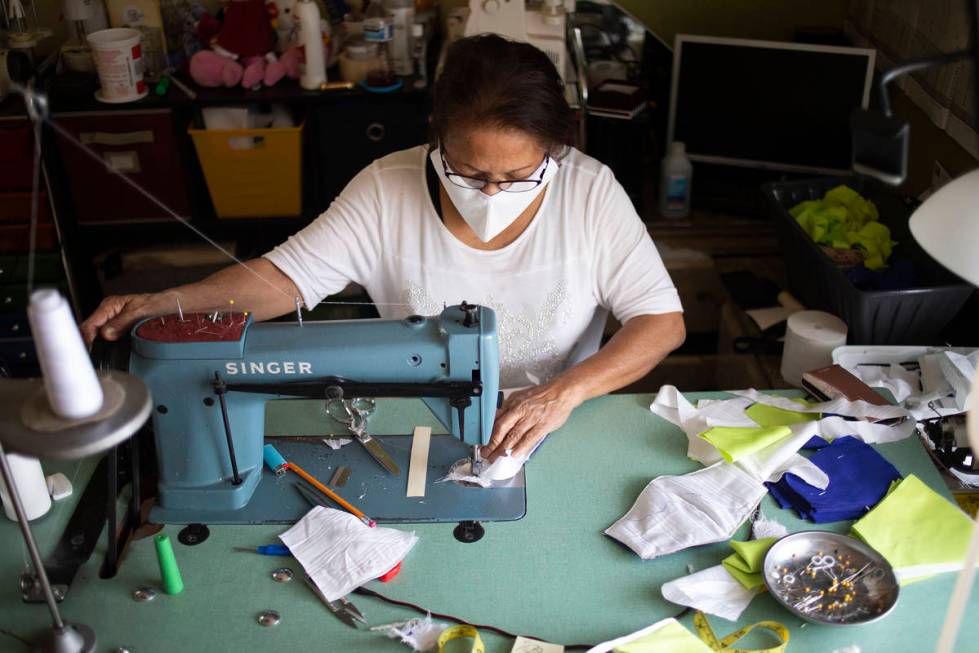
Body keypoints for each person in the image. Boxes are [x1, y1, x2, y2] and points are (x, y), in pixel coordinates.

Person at [81, 34, 685, 464]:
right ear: (436, 138)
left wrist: (565, 391)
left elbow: (660, 321)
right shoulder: (385, 188)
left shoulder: (589, 192)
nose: (494, 193)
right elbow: (282, 280)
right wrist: (169, 303)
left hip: (561, 420)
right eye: (471, 174)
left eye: (519, 176)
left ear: (557, 147)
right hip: (413, 418)